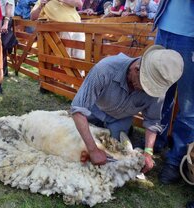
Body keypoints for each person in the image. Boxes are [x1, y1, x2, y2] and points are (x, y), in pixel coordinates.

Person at [70, 45, 183, 173]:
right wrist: (92, 150)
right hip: (95, 110)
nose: (144, 91)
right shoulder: (105, 69)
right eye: (144, 85)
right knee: (73, 137)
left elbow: (152, 121)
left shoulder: (157, 91)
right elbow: (78, 109)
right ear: (136, 69)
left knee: (114, 150)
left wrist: (148, 152)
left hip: (120, 118)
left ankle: (121, 129)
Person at [152, 0, 194, 186]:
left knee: (188, 105)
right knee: (160, 94)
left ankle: (175, 160)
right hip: (164, 28)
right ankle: (154, 142)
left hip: (190, 36)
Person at [0, 0, 17, 77]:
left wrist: (6, 22)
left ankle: (2, 71)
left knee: (2, 47)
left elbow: (9, 5)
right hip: (1, 19)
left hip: (4, 19)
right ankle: (2, 71)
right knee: (1, 47)